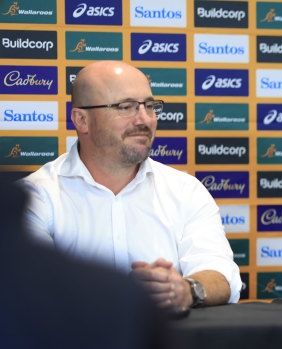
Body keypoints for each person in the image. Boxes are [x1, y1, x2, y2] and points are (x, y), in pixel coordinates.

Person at [19, 61, 242, 312]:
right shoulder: (35, 197)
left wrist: (187, 290)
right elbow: (29, 290)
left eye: (150, 106)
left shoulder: (185, 190)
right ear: (81, 120)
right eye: (125, 107)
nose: (144, 119)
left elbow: (222, 276)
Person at [0, 177, 171, 349]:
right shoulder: (38, 191)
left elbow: (199, 268)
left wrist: (189, 288)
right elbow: (33, 286)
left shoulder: (185, 187)